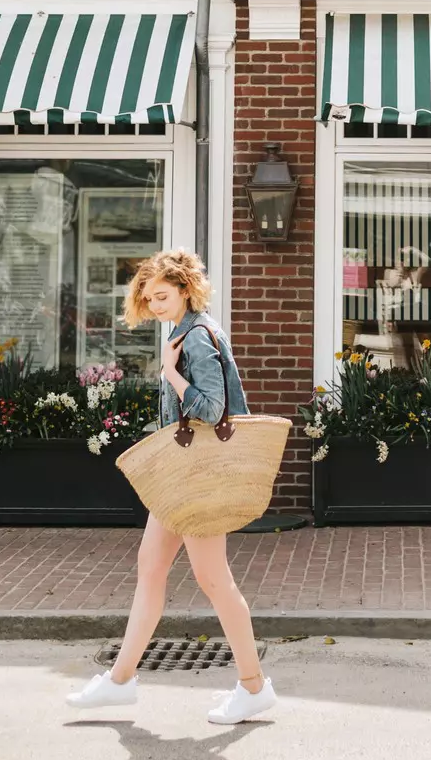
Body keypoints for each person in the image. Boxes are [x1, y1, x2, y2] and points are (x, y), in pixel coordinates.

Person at [66, 248, 278, 725]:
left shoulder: (196, 339)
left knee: (213, 579)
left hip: (197, 476)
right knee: (151, 566)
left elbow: (211, 408)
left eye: (163, 296)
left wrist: (170, 375)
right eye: (150, 298)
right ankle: (120, 681)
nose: (156, 306)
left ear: (185, 289)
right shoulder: (185, 331)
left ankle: (254, 686)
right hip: (181, 475)